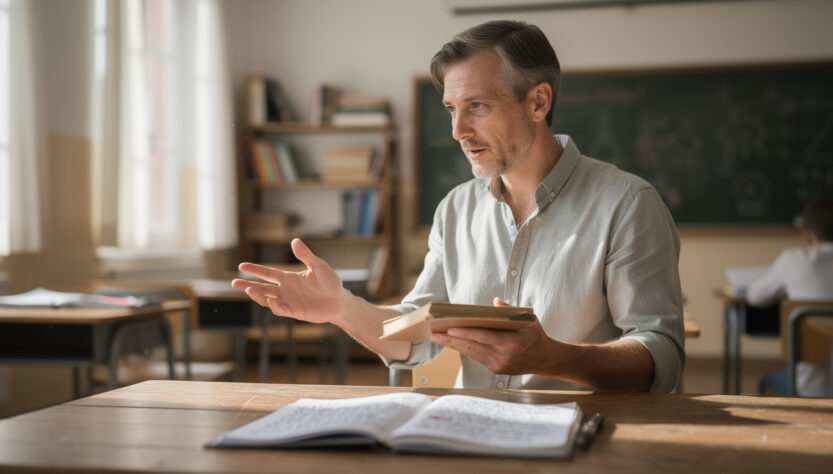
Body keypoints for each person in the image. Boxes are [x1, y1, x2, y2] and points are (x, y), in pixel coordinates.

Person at [233, 20, 685, 393]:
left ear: (538, 102)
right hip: (475, 438)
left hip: (589, 439)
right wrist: (339, 307)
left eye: (477, 106)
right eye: (451, 108)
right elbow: (416, 338)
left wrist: (551, 358)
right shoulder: (455, 209)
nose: (457, 131)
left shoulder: (628, 205)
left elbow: (661, 355)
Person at [747, 197, 833, 397]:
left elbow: (754, 296)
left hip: (810, 390)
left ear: (807, 236)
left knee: (766, 383)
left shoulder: (794, 259)